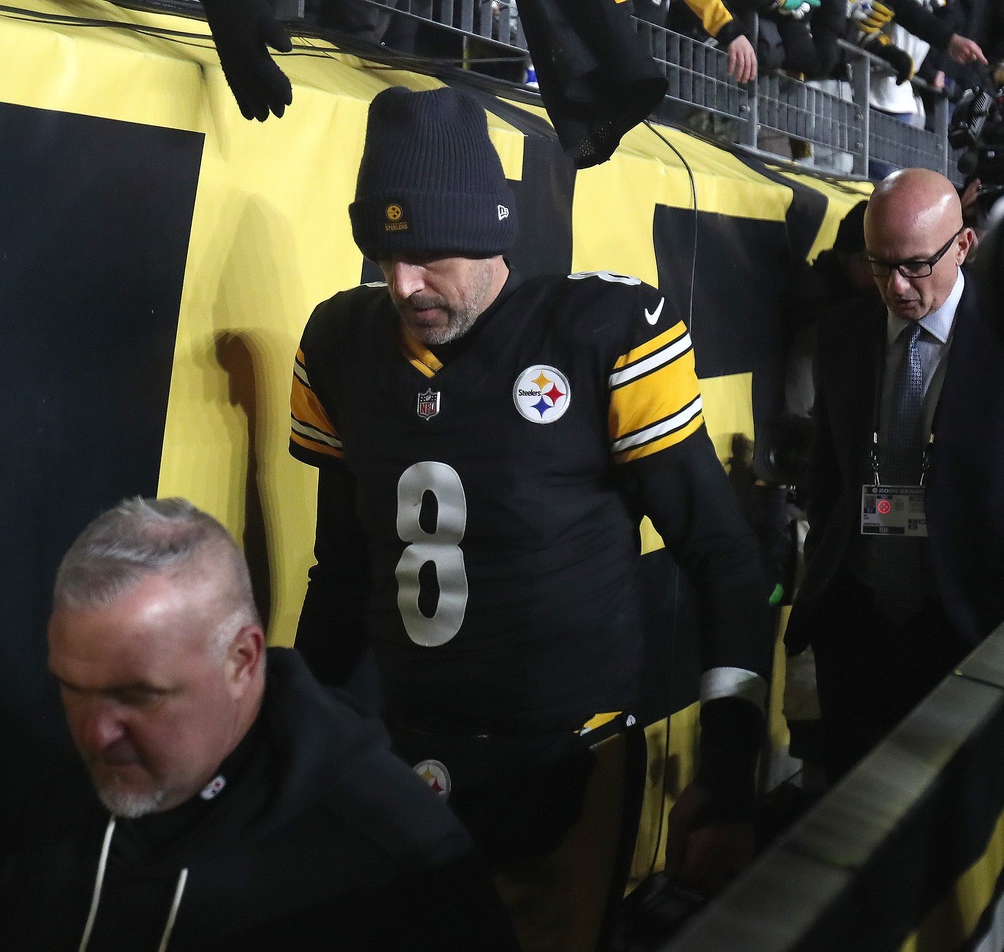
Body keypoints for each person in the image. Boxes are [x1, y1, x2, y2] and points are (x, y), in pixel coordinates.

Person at [289, 85, 773, 950]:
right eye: (383, 254)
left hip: (567, 756)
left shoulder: (599, 332)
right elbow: (344, 569)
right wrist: (299, 740)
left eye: (427, 253)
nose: (402, 283)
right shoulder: (340, 341)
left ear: (492, 230)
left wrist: (729, 774)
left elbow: (722, 555)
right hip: (403, 752)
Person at [0, 497, 518, 951]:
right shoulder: (43, 795)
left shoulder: (399, 857)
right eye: (72, 688)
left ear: (241, 660)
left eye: (138, 696)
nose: (96, 734)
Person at [785, 169, 1004, 780]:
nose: (897, 287)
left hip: (975, 630)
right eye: (879, 266)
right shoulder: (843, 335)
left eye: (915, 265)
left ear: (964, 245)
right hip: (857, 630)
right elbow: (830, 476)